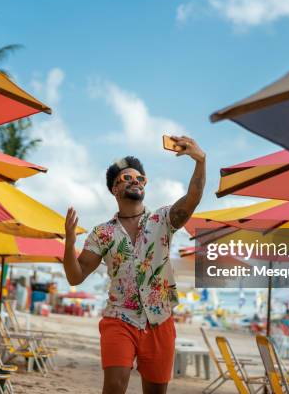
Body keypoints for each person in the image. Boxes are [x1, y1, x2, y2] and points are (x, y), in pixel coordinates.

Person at [63, 136, 205, 394]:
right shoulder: (102, 233)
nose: (136, 181)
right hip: (119, 318)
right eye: (128, 178)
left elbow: (192, 199)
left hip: (160, 320)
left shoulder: (162, 219)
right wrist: (69, 242)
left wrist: (200, 161)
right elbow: (76, 276)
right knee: (115, 387)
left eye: (140, 179)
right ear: (115, 189)